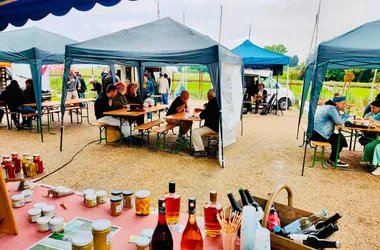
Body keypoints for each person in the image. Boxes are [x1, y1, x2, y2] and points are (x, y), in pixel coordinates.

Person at [311, 96, 349, 167]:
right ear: (337, 103)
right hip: (319, 133)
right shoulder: (332, 108)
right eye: (343, 103)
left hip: (314, 132)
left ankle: (332, 159)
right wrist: (346, 113)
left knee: (338, 137)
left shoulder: (326, 106)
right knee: (339, 139)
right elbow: (339, 122)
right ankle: (333, 160)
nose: (345, 105)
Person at [192, 89, 220, 157]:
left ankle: (200, 151)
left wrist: (199, 114)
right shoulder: (217, 102)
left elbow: (203, 115)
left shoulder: (211, 103)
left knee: (194, 132)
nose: (207, 96)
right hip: (218, 126)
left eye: (207, 95)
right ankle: (205, 147)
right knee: (202, 129)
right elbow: (208, 112)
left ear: (210, 96)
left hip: (213, 127)